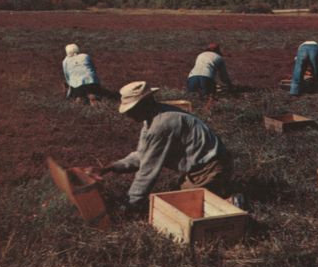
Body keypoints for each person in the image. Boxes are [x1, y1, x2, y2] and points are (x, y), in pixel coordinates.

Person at [89, 81, 234, 213]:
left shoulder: (161, 125)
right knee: (182, 196)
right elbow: (141, 155)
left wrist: (130, 205)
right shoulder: (153, 118)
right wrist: (108, 168)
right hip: (203, 165)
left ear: (144, 104)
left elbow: (148, 170)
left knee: (187, 207)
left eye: (131, 109)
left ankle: (232, 201)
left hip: (211, 166)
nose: (128, 114)